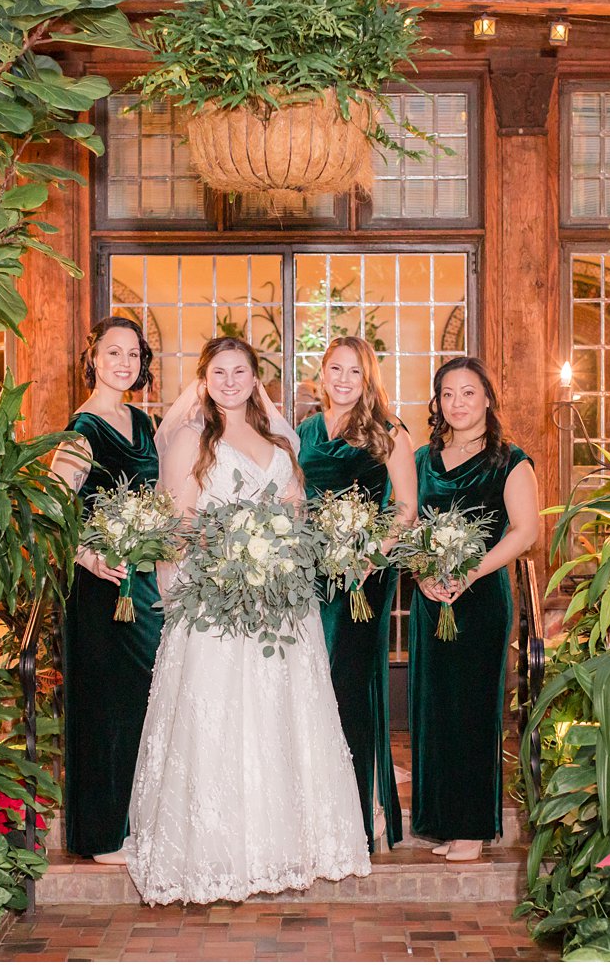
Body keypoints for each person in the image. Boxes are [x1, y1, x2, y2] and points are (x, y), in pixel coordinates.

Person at [124, 336, 372, 904]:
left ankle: (282, 848)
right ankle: (214, 855)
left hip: (280, 605)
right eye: (218, 372)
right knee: (219, 721)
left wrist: (281, 549)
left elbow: (295, 512)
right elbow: (178, 526)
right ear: (204, 378)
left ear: (255, 378)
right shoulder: (191, 438)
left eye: (240, 371)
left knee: (277, 720)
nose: (229, 381)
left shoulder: (278, 439)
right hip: (216, 601)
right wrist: (230, 548)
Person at [408, 357, 540, 863]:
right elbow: (409, 527)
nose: (457, 403)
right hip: (429, 599)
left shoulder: (510, 460)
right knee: (434, 711)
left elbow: (525, 531)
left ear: (487, 398)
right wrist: (422, 574)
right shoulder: (422, 460)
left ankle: (474, 829)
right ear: (437, 402)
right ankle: (442, 822)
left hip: (480, 600)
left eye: (468, 392)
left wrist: (470, 572)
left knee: (473, 711)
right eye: (447, 394)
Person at [296, 336, 417, 853]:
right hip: (312, 574)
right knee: (311, 686)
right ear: (322, 373)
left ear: (368, 380)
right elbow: (296, 497)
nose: (343, 380)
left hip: (362, 577)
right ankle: (317, 806)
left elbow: (407, 507)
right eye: (335, 369)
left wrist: (371, 550)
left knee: (350, 685)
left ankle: (363, 808)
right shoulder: (304, 430)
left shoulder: (388, 431)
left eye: (355, 372)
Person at [51, 316, 162, 865]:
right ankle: (99, 836)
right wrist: (86, 556)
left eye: (133, 354)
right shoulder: (82, 430)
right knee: (105, 707)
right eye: (112, 352)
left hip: (139, 581)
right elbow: (52, 507)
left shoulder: (141, 422)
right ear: (92, 358)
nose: (124, 362)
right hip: (98, 584)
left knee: (142, 700)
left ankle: (132, 821)